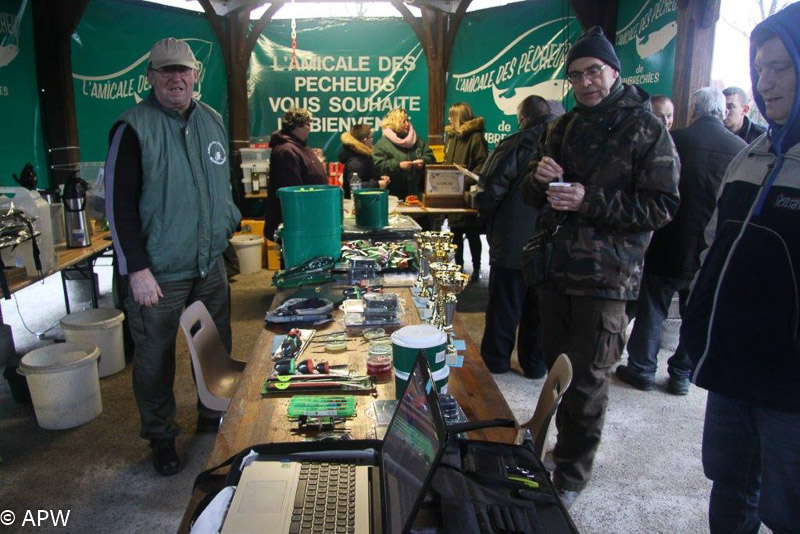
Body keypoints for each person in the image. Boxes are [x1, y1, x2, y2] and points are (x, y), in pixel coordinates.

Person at [522, 26, 680, 507]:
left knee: (589, 380)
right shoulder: (562, 126)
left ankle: (571, 474)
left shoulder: (646, 127)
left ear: (613, 70)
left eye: (593, 71)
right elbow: (533, 195)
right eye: (575, 76)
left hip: (608, 277)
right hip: (555, 270)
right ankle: (560, 449)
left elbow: (662, 206)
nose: (585, 82)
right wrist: (538, 177)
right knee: (558, 373)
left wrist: (590, 200)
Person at [682, 5, 800, 532]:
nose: (765, 81)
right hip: (731, 363)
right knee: (729, 483)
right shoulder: (748, 155)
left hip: (790, 380)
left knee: (788, 508)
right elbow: (712, 246)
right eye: (759, 68)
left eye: (781, 66)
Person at [104, 38, 241, 476]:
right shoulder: (133, 127)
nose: (175, 78)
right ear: (150, 78)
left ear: (195, 75)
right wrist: (136, 269)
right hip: (158, 271)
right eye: (165, 72)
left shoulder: (212, 121)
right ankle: (161, 436)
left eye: (182, 70)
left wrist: (229, 222)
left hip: (208, 263)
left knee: (216, 344)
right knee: (154, 357)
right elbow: (118, 204)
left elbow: (226, 182)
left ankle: (210, 412)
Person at [617, 88, 746, 395]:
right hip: (711, 247)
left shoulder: (674, 141)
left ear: (693, 109)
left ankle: (642, 369)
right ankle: (682, 373)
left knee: (652, 306)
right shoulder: (741, 149)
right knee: (695, 309)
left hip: (669, 241)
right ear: (722, 112)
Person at [477, 95, 558, 378]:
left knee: (505, 305)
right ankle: (535, 365)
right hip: (553, 244)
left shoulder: (515, 144)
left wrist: (484, 216)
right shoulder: (566, 144)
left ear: (522, 118)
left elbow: (489, 191)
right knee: (541, 309)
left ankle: (497, 362)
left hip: (514, 243)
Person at [264, 108, 328, 240]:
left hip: (306, 221)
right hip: (294, 226)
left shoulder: (300, 148)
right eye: (307, 124)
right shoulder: (286, 151)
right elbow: (293, 192)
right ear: (296, 127)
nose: (310, 128)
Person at [444, 102, 488, 281]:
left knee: (472, 233)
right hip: (453, 194)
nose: (448, 119)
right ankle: (459, 267)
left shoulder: (476, 138)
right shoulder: (452, 137)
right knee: (455, 233)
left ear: (458, 117)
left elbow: (482, 164)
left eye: (450, 116)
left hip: (468, 195)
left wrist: (465, 180)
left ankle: (477, 268)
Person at [373, 108, 435, 201]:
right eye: (403, 121)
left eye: (407, 120)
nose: (407, 124)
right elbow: (377, 165)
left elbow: (431, 158)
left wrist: (423, 162)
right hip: (392, 197)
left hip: (416, 196)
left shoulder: (418, 141)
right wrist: (398, 165)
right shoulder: (382, 144)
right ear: (395, 123)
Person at [337, 123, 390, 198]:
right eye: (371, 137)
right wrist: (377, 184)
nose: (372, 140)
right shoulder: (356, 161)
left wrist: (379, 178)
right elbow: (354, 186)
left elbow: (365, 176)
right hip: (358, 204)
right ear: (364, 140)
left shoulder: (362, 156)